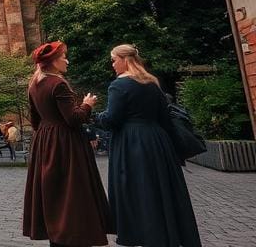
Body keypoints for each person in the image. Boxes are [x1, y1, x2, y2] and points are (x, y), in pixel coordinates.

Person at [94, 44, 201, 247]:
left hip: (132, 143)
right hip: (157, 141)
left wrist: (94, 115)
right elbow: (165, 118)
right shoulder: (152, 82)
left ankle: (145, 234)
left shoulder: (119, 85)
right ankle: (167, 234)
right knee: (160, 188)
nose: (113, 64)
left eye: (114, 59)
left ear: (125, 60)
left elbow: (112, 119)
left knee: (137, 189)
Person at [22, 41, 110, 247]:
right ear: (53, 61)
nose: (67, 60)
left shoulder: (34, 84)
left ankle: (56, 235)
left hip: (44, 141)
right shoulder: (58, 84)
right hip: (65, 143)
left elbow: (35, 121)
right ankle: (75, 234)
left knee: (53, 191)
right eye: (63, 57)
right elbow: (73, 119)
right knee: (72, 191)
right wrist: (87, 105)